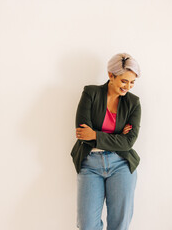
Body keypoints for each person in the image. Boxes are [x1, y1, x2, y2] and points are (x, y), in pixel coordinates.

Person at [70, 53, 142, 230]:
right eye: (124, 81)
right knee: (87, 225)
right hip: (90, 164)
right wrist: (117, 136)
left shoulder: (133, 103)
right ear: (111, 75)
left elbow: (128, 143)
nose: (128, 86)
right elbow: (82, 133)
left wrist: (95, 135)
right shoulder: (91, 93)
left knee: (119, 224)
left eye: (132, 82)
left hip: (122, 164)